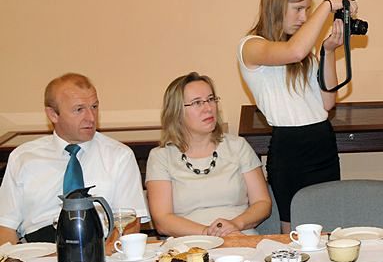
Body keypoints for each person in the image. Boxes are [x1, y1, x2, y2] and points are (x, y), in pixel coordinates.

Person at [238, 0, 356, 232]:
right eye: (298, 8)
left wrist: (327, 52)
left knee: (328, 231)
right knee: (293, 233)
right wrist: (327, 6)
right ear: (277, 4)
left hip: (322, 142)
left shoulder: (302, 52)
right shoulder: (251, 46)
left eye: (308, 9)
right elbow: (295, 51)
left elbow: (327, 102)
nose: (304, 17)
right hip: (290, 148)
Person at [0, 73, 148, 245]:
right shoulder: (23, 157)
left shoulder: (119, 156)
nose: (91, 118)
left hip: (99, 249)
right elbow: (5, 227)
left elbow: (130, 224)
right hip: (39, 253)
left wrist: (101, 256)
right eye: (79, 109)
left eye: (94, 107)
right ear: (53, 115)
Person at [146, 73, 271, 237]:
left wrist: (235, 224)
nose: (208, 108)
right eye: (197, 103)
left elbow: (262, 203)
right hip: (189, 246)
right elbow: (163, 220)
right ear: (176, 111)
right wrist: (208, 234)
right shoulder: (161, 157)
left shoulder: (237, 146)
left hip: (240, 237)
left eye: (211, 99)